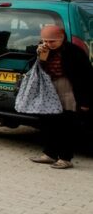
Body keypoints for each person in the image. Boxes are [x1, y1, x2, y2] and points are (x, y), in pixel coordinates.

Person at [28, 24, 93, 169]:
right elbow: (35, 70)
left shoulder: (74, 52)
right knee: (48, 123)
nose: (48, 44)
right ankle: (49, 154)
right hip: (48, 89)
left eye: (52, 41)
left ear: (62, 38)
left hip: (68, 90)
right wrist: (41, 56)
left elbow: (86, 77)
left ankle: (65, 158)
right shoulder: (42, 49)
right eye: (45, 41)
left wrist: (85, 101)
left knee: (66, 125)